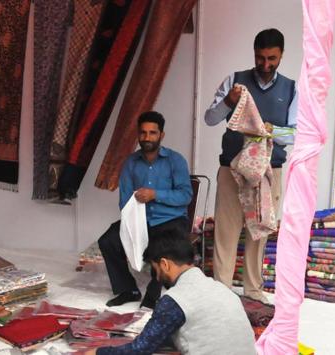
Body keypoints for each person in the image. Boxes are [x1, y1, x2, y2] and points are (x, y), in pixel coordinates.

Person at [205, 28, 297, 303]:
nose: (265, 65)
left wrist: (271, 131)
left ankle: (253, 291)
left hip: (269, 173)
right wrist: (228, 102)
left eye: (272, 58)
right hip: (232, 170)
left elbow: (296, 134)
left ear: (282, 55)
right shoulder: (234, 82)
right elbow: (210, 118)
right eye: (260, 58)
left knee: (260, 231)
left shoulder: (292, 88)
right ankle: (222, 290)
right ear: (253, 54)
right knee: (226, 229)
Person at [86, 230, 256, 355]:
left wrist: (98, 353)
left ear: (165, 264)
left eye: (155, 269)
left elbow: (140, 350)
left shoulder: (175, 300)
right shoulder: (223, 290)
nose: (156, 276)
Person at [98, 111, 192, 309]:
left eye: (152, 133)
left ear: (161, 135)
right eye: (143, 133)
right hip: (140, 220)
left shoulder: (175, 160)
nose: (147, 138)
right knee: (108, 241)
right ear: (138, 134)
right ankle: (128, 289)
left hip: (170, 219)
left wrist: (155, 194)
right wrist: (132, 222)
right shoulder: (131, 162)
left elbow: (185, 196)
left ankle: (153, 294)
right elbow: (124, 199)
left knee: (161, 246)